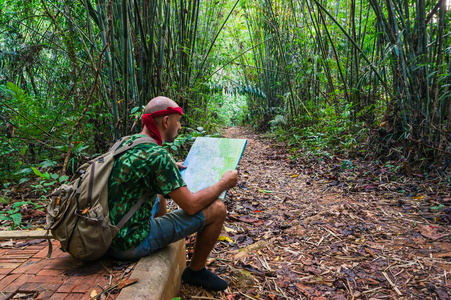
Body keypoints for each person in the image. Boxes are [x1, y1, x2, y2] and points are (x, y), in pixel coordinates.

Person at [107, 96, 238, 291]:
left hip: (110, 233)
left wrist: (170, 169)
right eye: (177, 121)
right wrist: (223, 183)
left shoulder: (126, 142)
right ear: (166, 121)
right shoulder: (158, 156)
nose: (179, 126)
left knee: (159, 195)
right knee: (218, 208)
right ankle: (195, 271)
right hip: (129, 243)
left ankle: (161, 232)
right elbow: (191, 205)